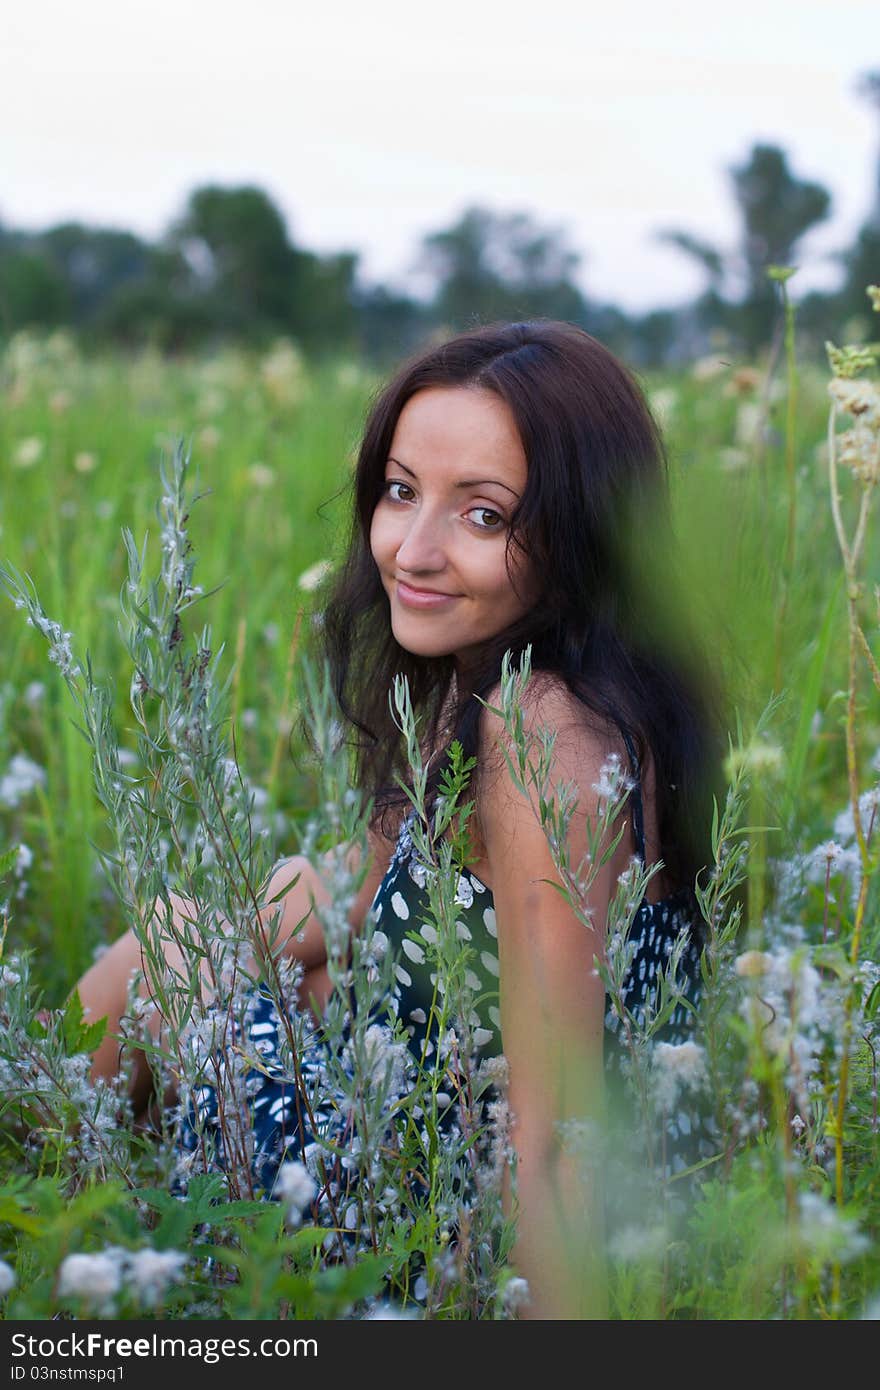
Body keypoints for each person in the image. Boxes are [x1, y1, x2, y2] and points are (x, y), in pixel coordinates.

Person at [76, 319, 726, 1319]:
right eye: (399, 490)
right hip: (460, 1130)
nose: (411, 550)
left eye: (482, 514)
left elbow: (553, 1133)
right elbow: (355, 887)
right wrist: (249, 944)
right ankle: (76, 1204)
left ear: (584, 528)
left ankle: (61, 1231)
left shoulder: (538, 730)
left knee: (167, 947)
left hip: (447, 1230)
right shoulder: (545, 682)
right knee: (239, 937)